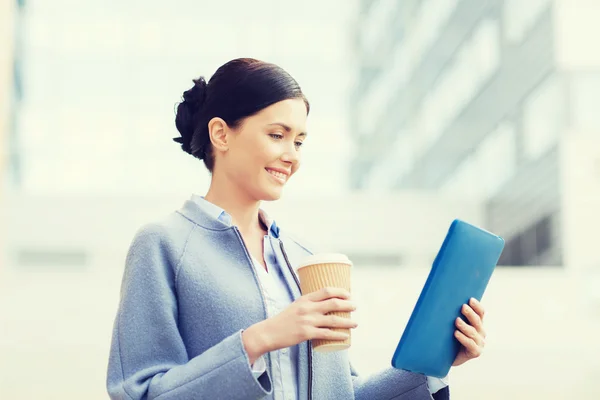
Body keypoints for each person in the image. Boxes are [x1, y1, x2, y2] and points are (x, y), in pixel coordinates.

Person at [106, 58, 487, 400]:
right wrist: (260, 340)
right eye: (277, 135)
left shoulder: (305, 257)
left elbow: (341, 394)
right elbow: (137, 393)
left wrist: (434, 365)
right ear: (221, 134)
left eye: (300, 141)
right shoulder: (163, 245)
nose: (292, 156)